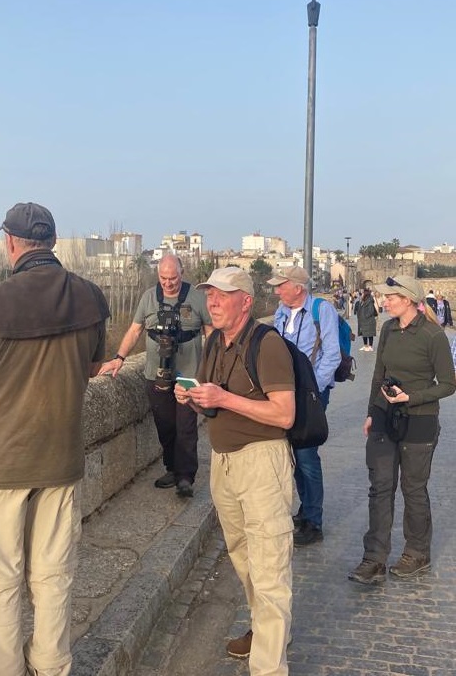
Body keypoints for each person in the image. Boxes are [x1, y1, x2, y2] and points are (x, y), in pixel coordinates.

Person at [0, 202, 110, 675]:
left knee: (1, 583)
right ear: (54, 243)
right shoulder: (92, 299)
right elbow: (94, 367)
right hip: (60, 458)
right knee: (54, 577)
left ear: (11, 243)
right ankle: (52, 666)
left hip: (2, 462)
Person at [175, 266, 295, 674]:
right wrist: (193, 397)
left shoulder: (268, 344)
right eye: (210, 294)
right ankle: (265, 629)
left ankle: (269, 667)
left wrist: (223, 397)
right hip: (224, 464)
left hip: (262, 462)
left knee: (269, 567)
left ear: (245, 301)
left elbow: (284, 414)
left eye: (222, 295)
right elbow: (212, 403)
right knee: (243, 558)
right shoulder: (214, 343)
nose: (212, 301)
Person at [348, 275, 456, 585]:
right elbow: (378, 374)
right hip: (385, 417)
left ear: (407, 299)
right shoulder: (388, 329)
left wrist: (413, 396)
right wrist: (371, 412)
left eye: (390, 297)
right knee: (380, 487)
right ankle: (374, 559)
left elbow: (449, 384)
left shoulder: (433, 336)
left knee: (413, 489)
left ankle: (417, 553)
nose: (384, 301)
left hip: (420, 421)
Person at [99, 254, 211, 498]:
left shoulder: (197, 298)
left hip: (189, 374)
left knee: (186, 426)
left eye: (173, 278)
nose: (168, 283)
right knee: (165, 425)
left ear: (182, 273)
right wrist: (119, 357)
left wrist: (212, 368)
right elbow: (135, 330)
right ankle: (172, 467)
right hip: (156, 373)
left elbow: (210, 333)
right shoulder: (149, 297)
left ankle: (185, 476)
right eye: (163, 278)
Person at [268, 266, 340, 546]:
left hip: (311, 394)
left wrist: (313, 389)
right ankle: (305, 507)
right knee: (294, 453)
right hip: (286, 393)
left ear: (298, 287)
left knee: (307, 455)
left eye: (281, 286)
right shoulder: (280, 312)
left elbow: (331, 355)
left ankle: (314, 521)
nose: (276, 291)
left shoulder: (322, 310)